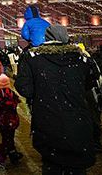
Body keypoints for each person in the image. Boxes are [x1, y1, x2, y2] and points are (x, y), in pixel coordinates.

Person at [15, 25, 95, 174]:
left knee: (52, 164)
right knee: (77, 166)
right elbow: (91, 81)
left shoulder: (33, 58)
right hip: (77, 120)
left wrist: (42, 91)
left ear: (47, 38)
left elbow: (24, 88)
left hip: (48, 120)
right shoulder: (81, 58)